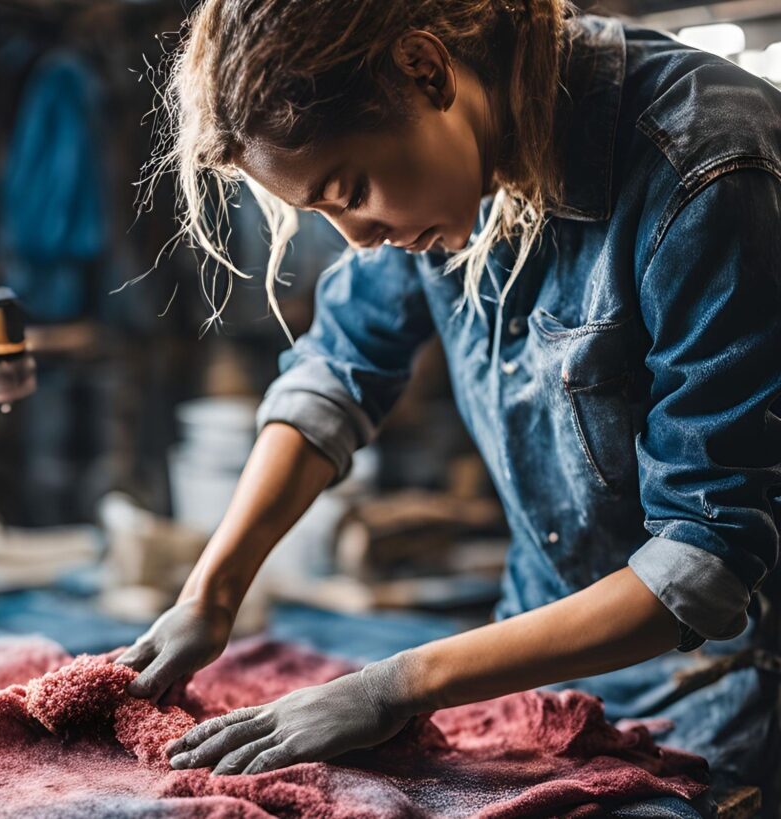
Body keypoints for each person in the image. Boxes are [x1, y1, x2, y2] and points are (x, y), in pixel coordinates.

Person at [116, 0, 781, 811]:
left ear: (426, 69)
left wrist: (399, 684)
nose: (358, 238)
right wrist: (209, 595)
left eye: (351, 190)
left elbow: (704, 564)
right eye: (326, 212)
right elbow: (338, 370)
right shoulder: (459, 156)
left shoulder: (705, 163)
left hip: (726, 692)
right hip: (537, 683)